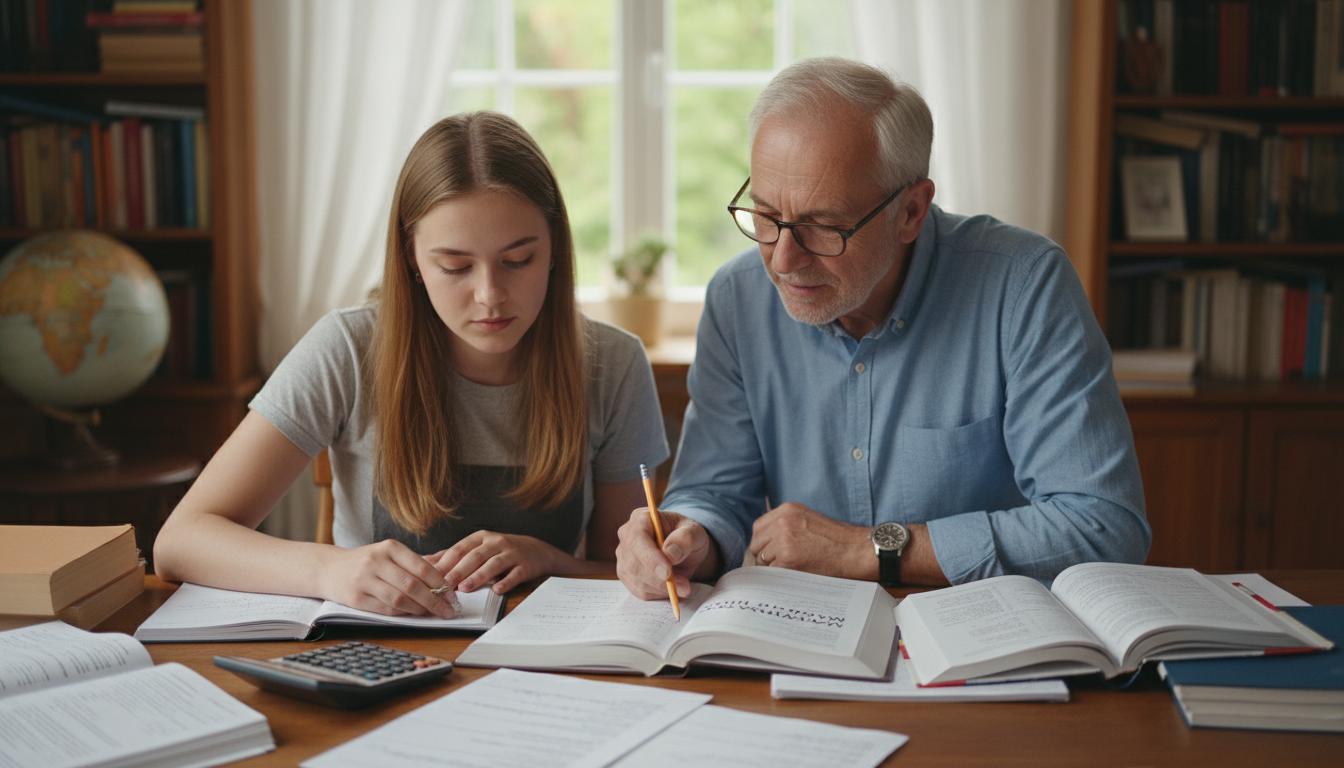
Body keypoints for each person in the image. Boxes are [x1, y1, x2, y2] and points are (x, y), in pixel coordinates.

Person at [616, 58, 1149, 602]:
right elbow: (715, 493)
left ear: (911, 211)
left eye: (823, 226)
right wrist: (686, 539)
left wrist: (867, 549)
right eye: (765, 215)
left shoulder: (1023, 285)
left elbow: (1103, 526)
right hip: (807, 640)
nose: (781, 260)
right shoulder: (737, 299)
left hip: (983, 640)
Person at [155, 112, 669, 617]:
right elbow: (181, 541)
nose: (490, 296)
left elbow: (631, 574)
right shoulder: (347, 349)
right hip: (381, 663)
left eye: (518, 260)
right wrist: (329, 570)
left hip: (545, 661)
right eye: (455, 266)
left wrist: (549, 560)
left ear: (555, 248)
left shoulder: (613, 364)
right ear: (411, 260)